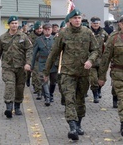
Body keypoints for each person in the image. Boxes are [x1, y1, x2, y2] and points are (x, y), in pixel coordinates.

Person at [43, 9, 99, 141]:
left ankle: (79, 124)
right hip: (67, 73)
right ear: (70, 20)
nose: (77, 20)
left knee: (80, 101)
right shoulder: (63, 33)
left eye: (79, 18)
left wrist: (90, 60)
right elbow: (54, 53)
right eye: (75, 18)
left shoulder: (87, 32)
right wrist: (46, 71)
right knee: (69, 99)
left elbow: (95, 50)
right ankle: (72, 127)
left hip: (83, 74)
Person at [0, 16, 33, 118]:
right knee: (9, 85)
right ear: (9, 25)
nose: (14, 25)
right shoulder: (2, 38)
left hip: (21, 67)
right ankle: (9, 107)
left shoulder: (23, 37)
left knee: (19, 87)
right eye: (12, 23)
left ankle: (18, 106)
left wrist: (28, 63)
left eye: (16, 23)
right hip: (8, 67)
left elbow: (29, 50)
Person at [98, 15, 123, 136]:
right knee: (122, 99)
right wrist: (102, 77)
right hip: (119, 73)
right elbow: (105, 58)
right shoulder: (114, 38)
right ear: (120, 24)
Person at [31, 23, 57, 106]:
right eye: (45, 29)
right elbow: (34, 53)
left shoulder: (55, 39)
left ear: (51, 30)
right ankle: (47, 98)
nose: (47, 30)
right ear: (43, 30)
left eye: (49, 29)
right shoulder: (39, 40)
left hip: (53, 63)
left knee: (53, 81)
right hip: (43, 63)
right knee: (44, 80)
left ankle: (51, 94)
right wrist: (31, 65)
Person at [89, 17, 109, 103]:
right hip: (92, 60)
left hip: (101, 60)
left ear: (99, 24)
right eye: (94, 23)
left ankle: (99, 89)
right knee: (93, 79)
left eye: (97, 23)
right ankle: (95, 95)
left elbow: (108, 44)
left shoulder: (104, 33)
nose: (95, 25)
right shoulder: (88, 33)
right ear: (91, 24)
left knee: (102, 78)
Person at [28, 21, 43, 99]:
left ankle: (43, 90)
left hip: (44, 59)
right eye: (38, 29)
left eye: (40, 28)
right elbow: (29, 48)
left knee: (43, 75)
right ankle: (39, 91)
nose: (39, 30)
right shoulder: (31, 37)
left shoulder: (45, 35)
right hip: (35, 59)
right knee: (36, 75)